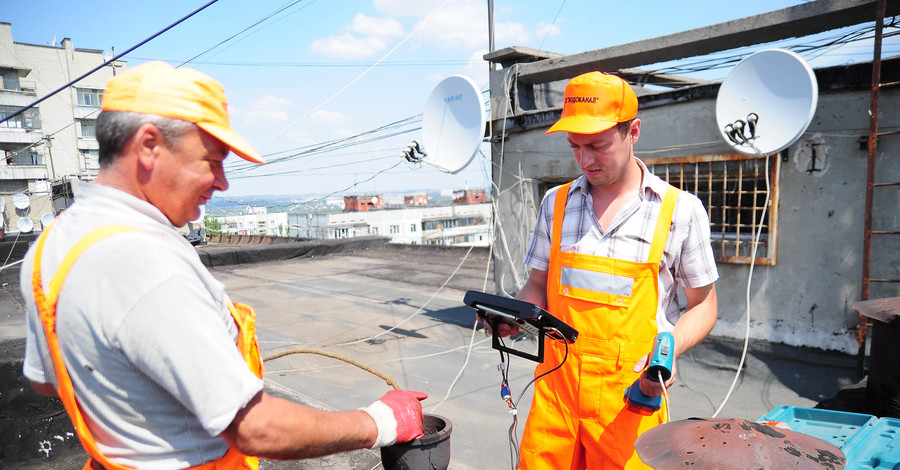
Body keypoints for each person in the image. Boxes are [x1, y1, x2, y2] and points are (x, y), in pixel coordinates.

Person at [21, 61, 427, 470]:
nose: (222, 182)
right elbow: (256, 428)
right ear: (148, 146)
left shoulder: (50, 246)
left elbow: (46, 381)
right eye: (211, 160)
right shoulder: (147, 262)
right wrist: (381, 421)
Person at [494, 72, 719, 469]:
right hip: (556, 393)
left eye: (598, 146)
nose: (585, 160)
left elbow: (704, 305)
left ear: (633, 131)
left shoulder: (679, 211)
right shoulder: (556, 203)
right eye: (575, 147)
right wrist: (514, 317)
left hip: (630, 399)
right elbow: (537, 285)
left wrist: (669, 349)